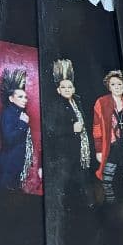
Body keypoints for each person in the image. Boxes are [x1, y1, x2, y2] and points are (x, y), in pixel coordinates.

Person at [93, 70, 123, 204]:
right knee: (106, 180)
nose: (117, 87)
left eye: (119, 84)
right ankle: (110, 203)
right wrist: (99, 149)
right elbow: (97, 127)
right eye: (113, 84)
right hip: (111, 145)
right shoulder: (102, 102)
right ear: (109, 86)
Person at [49, 60, 92, 192]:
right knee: (65, 185)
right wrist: (71, 129)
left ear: (73, 89)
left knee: (82, 183)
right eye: (63, 87)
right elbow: (51, 130)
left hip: (81, 150)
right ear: (58, 90)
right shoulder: (56, 105)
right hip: (65, 153)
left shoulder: (77, 101)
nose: (67, 89)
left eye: (69, 87)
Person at [0, 68, 32, 191]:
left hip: (15, 164)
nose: (24, 100)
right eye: (20, 97)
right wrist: (23, 123)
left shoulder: (19, 113)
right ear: (11, 99)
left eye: (25, 97)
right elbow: (8, 140)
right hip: (8, 164)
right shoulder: (8, 113)